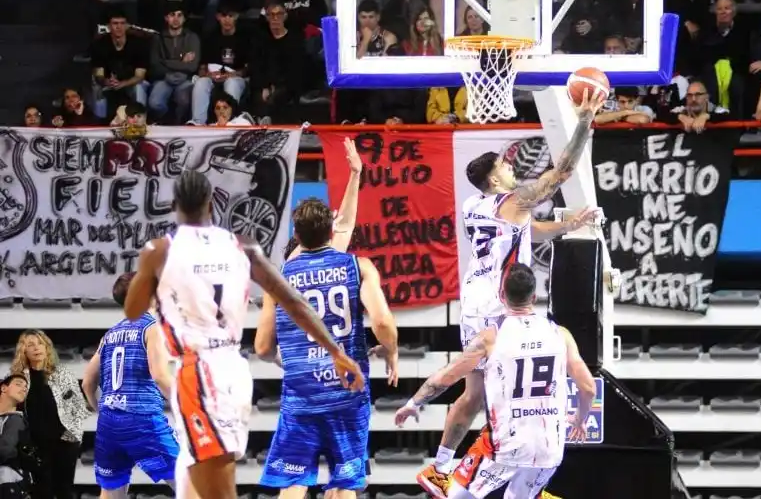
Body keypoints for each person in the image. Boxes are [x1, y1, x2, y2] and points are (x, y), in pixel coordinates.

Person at [122, 170, 365, 499]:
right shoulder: (243, 245)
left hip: (199, 371)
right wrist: (336, 352)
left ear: (175, 204)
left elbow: (133, 310)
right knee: (190, 477)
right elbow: (293, 302)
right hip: (233, 369)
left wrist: (149, 269)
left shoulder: (161, 250)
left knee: (216, 487)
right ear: (211, 203)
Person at [416, 90, 605, 499]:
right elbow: (563, 171)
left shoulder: (474, 206)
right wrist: (585, 122)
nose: (510, 166)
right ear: (495, 179)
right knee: (513, 390)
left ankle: (443, 466)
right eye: (505, 164)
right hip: (499, 308)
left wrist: (569, 225)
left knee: (477, 393)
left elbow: (526, 231)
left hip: (473, 301)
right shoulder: (515, 199)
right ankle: (495, 475)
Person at [396, 263, 597, 499]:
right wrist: (580, 419)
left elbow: (444, 378)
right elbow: (589, 388)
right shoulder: (560, 334)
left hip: (505, 446)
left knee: (456, 496)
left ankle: (440, 470)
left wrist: (413, 403)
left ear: (502, 296)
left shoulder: (490, 338)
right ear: (534, 297)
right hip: (549, 449)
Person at [254, 196, 399, 499]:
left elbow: (263, 347)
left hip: (302, 394)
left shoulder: (278, 279)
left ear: (295, 234)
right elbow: (383, 322)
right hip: (346, 390)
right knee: (345, 481)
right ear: (332, 232)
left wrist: (286, 361)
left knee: (293, 482)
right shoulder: (358, 267)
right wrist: (392, 351)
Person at [80, 273, 182, 498]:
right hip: (142, 421)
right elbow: (160, 376)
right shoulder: (153, 327)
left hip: (108, 424)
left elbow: (88, 381)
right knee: (194, 487)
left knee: (111, 493)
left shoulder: (110, 334)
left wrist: (102, 410)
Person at [9, 329, 87, 499]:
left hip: (64, 444)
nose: (37, 348)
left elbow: (79, 407)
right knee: (41, 492)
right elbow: (9, 407)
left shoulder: (63, 374)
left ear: (47, 348)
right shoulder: (17, 377)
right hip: (35, 446)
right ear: (24, 351)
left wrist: (72, 435)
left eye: (40, 343)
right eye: (31, 345)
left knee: (64, 491)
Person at [0, 374, 33, 499]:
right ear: (4, 388)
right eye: (18, 384)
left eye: (26, 387)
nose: (24, 388)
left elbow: (5, 451)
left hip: (11, 482)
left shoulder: (16, 420)